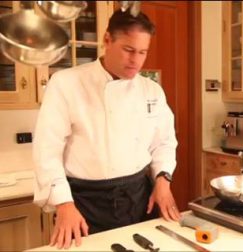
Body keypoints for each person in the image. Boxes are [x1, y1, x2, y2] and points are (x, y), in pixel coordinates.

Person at [32, 9, 181, 249]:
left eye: (143, 52)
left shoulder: (151, 90)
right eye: (128, 50)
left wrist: (163, 181)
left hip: (139, 197)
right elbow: (46, 150)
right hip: (84, 203)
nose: (136, 61)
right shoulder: (66, 83)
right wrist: (63, 204)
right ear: (107, 40)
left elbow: (164, 142)